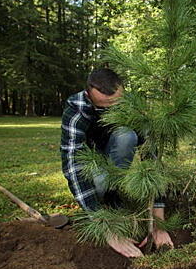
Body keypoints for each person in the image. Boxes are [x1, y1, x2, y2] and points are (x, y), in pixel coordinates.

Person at [61, 68, 173, 257]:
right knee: (97, 185)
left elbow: (153, 161)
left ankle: (113, 195)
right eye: (105, 107)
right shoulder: (77, 107)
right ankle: (103, 198)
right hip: (92, 166)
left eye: (117, 105)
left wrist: (158, 224)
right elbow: (73, 166)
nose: (112, 111)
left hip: (115, 159)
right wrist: (105, 228)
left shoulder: (133, 106)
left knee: (126, 136)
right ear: (89, 95)